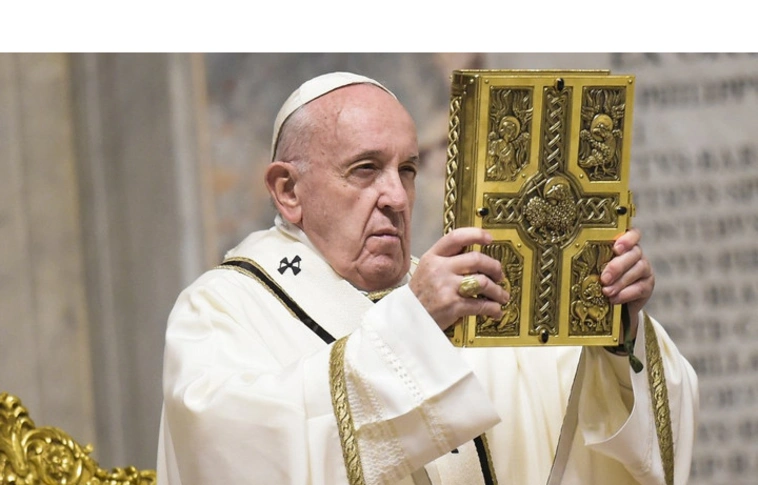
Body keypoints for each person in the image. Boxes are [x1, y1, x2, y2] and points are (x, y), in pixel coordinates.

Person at [157, 72, 698, 485]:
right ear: (288, 190)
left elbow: (590, 432)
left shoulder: (471, 301)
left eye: (407, 170)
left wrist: (613, 329)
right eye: (365, 169)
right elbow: (230, 449)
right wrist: (412, 328)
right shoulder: (222, 309)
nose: (396, 197)